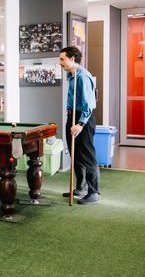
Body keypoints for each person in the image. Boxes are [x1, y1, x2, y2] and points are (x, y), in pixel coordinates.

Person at [59, 46, 99, 205]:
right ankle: (81, 188)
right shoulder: (71, 75)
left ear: (72, 59)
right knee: (76, 155)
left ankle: (93, 192)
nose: (60, 62)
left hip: (83, 119)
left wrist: (80, 124)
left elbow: (90, 104)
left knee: (87, 156)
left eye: (62, 59)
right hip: (72, 116)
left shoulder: (82, 76)